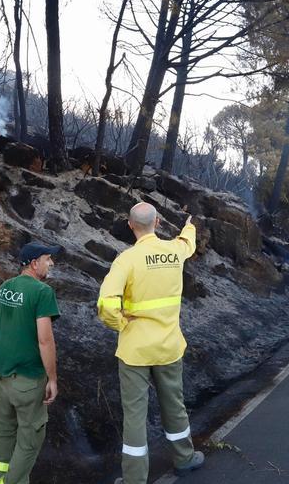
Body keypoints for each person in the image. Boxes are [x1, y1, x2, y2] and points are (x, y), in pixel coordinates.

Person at [97, 203, 205, 484]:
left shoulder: (126, 260)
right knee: (174, 405)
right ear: (157, 222)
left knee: (134, 416)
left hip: (135, 351)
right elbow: (187, 242)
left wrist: (121, 324)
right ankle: (184, 459)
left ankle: (134, 479)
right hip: (169, 347)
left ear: (130, 225)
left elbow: (107, 304)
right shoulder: (174, 251)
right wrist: (189, 224)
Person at [0, 242, 62, 484]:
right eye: (48, 259)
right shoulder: (42, 292)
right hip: (28, 379)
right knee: (29, 441)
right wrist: (53, 379)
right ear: (34, 263)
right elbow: (45, 340)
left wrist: (9, 347)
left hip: (3, 376)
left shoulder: (5, 287)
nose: (52, 263)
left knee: (3, 431)